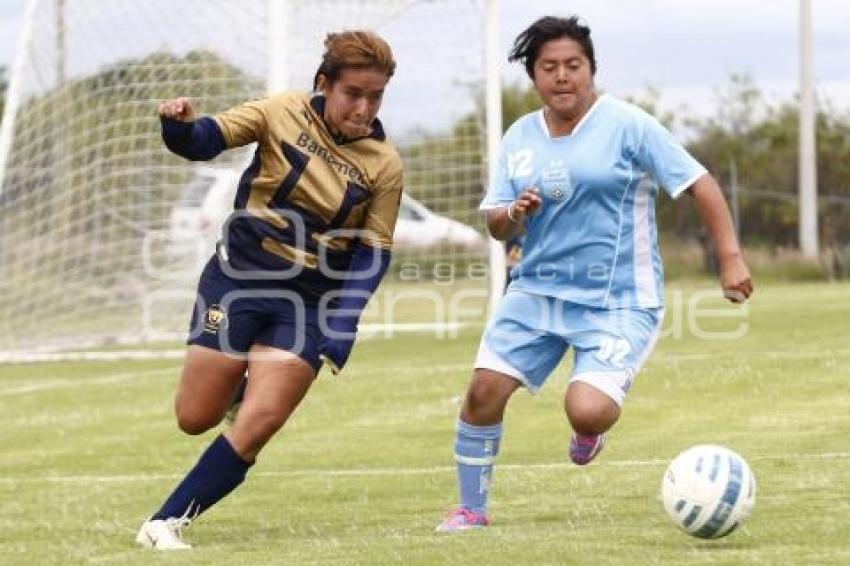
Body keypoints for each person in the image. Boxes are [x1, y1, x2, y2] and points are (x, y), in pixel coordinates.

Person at [436, 16, 753, 532]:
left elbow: (700, 182)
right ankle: (471, 508)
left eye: (573, 66)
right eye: (549, 67)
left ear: (591, 70)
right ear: (534, 77)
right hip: (536, 292)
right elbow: (495, 224)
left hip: (620, 299)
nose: (563, 77)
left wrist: (730, 258)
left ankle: (589, 432)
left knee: (586, 409)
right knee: (482, 392)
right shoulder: (519, 137)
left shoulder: (629, 124)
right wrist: (515, 212)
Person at [136, 30, 403, 550]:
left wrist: (343, 321)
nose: (364, 107)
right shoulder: (280, 109)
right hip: (238, 280)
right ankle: (236, 384)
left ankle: (165, 523)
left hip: (308, 303)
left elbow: (374, 251)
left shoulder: (385, 164)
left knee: (262, 423)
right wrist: (177, 126)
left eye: (376, 97)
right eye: (354, 93)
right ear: (324, 84)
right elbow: (205, 139)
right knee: (195, 418)